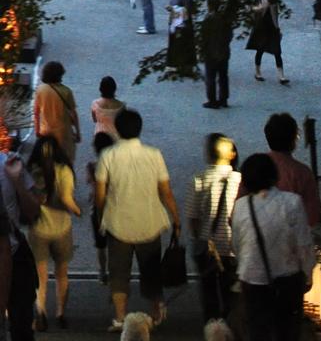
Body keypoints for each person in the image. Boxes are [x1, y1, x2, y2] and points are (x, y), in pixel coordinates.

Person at [232, 151, 313, 341]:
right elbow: (303, 242)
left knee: (258, 325)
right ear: (274, 175)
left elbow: (237, 243)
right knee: (287, 323)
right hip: (287, 275)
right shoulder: (292, 203)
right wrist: (308, 271)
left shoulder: (240, 206)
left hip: (252, 275)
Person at [93, 108, 180, 328]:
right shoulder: (154, 154)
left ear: (117, 130)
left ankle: (120, 317)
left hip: (118, 222)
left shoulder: (107, 156)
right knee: (151, 270)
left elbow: (100, 195)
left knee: (119, 272)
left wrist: (101, 217)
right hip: (149, 221)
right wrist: (176, 218)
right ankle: (156, 312)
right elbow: (166, 191)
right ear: (139, 128)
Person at [0, 151, 42, 341]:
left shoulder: (9, 163)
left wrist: (17, 181)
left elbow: (34, 211)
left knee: (23, 329)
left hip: (14, 254)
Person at [27, 132, 81, 330]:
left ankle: (41, 311)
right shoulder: (64, 170)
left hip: (38, 228)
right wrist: (79, 211)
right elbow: (67, 200)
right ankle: (61, 313)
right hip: (61, 227)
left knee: (40, 276)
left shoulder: (31, 171)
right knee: (62, 272)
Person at [186, 133, 239, 322]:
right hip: (233, 246)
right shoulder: (240, 180)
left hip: (208, 246)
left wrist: (199, 238)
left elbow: (193, 218)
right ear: (232, 154)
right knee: (231, 292)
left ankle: (212, 328)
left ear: (208, 155)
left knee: (209, 292)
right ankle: (231, 326)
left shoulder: (199, 179)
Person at [236, 112, 321, 227]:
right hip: (290, 233)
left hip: (254, 232)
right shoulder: (302, 173)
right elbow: (312, 216)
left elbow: (238, 207)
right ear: (295, 138)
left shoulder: (254, 166)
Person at [32, 62, 79, 164]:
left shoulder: (40, 90)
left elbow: (36, 113)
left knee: (48, 161)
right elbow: (74, 114)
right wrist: (78, 133)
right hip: (63, 134)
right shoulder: (66, 91)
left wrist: (37, 130)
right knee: (65, 162)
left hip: (46, 132)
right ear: (59, 75)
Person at [86, 131, 114, 284]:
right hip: (115, 208)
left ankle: (102, 272)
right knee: (116, 243)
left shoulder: (92, 166)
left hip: (97, 210)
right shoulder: (116, 166)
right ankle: (116, 271)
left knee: (101, 245)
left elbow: (90, 184)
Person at [245, 0, 287, 84]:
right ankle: (257, 72)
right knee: (260, 49)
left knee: (277, 51)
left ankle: (281, 76)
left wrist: (277, 28)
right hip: (261, 27)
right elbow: (250, 8)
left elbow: (275, 15)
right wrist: (262, 7)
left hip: (272, 28)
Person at [198, 0, 234, 109]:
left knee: (211, 77)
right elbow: (229, 35)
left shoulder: (208, 20)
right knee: (223, 76)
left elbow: (204, 37)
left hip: (211, 52)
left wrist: (202, 50)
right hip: (224, 52)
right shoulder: (225, 19)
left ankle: (212, 100)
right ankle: (224, 99)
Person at [166, 0, 197, 73]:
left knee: (181, 43)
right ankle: (174, 63)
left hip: (182, 23)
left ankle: (184, 65)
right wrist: (171, 8)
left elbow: (188, 9)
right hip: (174, 21)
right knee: (173, 43)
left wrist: (176, 10)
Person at [90, 75, 123, 139]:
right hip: (116, 137)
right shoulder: (121, 105)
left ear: (101, 89)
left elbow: (95, 120)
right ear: (114, 89)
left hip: (100, 136)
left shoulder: (95, 104)